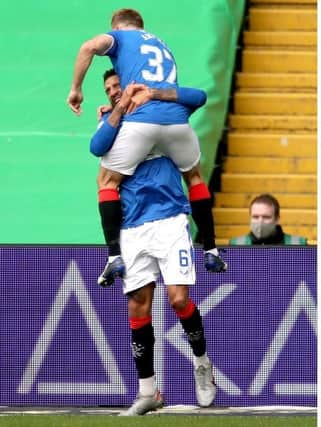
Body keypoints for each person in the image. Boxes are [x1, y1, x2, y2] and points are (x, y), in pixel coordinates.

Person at [92, 71, 224, 416]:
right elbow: (98, 162)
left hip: (170, 218)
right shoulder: (113, 124)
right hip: (133, 225)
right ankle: (148, 390)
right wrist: (112, 115)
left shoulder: (164, 113)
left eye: (117, 85)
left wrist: (156, 94)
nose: (113, 91)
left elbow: (196, 96)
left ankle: (202, 363)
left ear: (133, 82)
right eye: (108, 89)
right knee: (138, 306)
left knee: (178, 299)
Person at [67, 8, 221, 285]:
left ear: (117, 27)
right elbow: (196, 95)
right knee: (195, 177)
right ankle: (210, 248)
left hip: (141, 122)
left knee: (106, 181)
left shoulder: (119, 38)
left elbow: (88, 47)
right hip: (176, 121)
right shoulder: (162, 44)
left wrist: (76, 89)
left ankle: (114, 255)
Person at [229, 194, 307, 245]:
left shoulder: (298, 244)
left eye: (266, 217)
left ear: (277, 219)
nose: (260, 221)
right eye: (255, 217)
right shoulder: (236, 244)